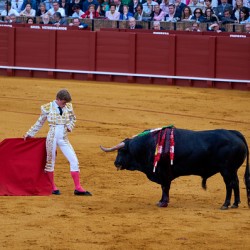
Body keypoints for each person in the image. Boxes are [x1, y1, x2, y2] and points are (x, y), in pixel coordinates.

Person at [24, 89, 92, 196]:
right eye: (63, 102)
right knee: (50, 162)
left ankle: (78, 187)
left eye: (66, 103)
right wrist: (30, 134)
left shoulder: (68, 106)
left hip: (64, 138)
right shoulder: (47, 108)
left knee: (74, 160)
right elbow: (40, 122)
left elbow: (73, 118)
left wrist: (70, 126)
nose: (65, 105)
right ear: (58, 99)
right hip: (52, 138)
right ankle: (52, 187)